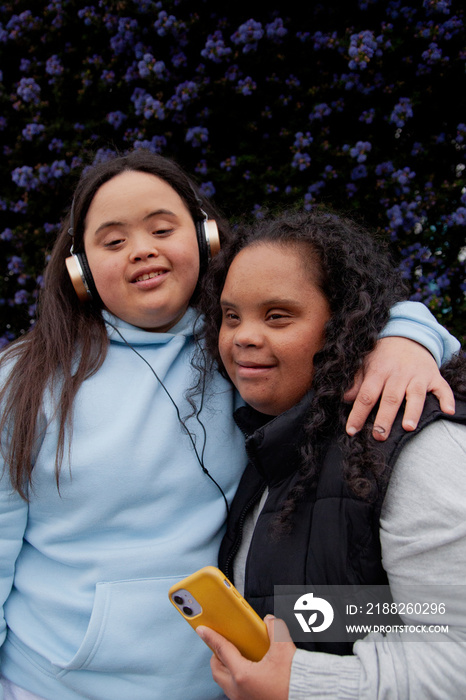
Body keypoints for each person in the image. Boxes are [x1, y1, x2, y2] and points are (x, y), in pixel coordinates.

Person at [0, 151, 460, 700]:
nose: (142, 248)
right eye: (113, 240)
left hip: (227, 685)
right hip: (49, 687)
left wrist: (407, 339)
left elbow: (341, 305)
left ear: (207, 238)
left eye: (162, 228)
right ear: (80, 270)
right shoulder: (23, 381)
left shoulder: (240, 350)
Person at [196, 209, 466, 700]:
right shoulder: (277, 436)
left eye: (277, 315)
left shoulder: (415, 444)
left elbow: (456, 650)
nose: (243, 336)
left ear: (343, 324)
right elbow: (351, 611)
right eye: (231, 316)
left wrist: (300, 683)